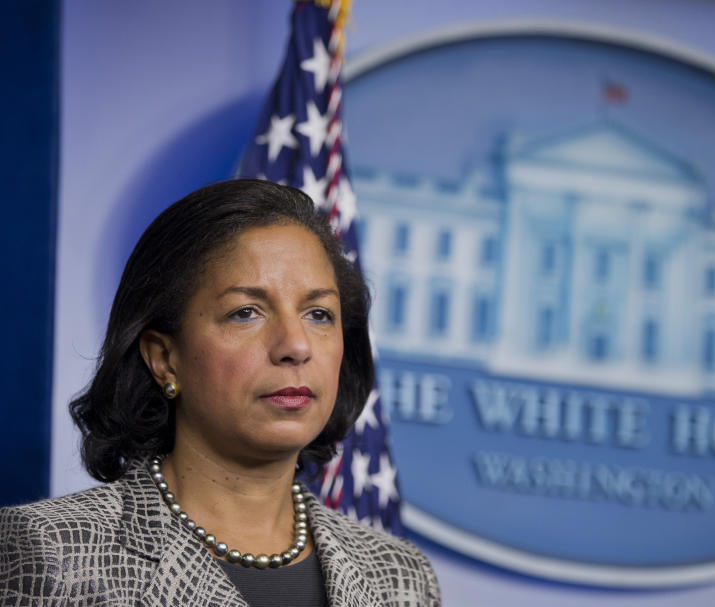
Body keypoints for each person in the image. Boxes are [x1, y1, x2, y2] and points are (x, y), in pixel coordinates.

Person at [0, 179, 441, 606]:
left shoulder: (400, 578)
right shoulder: (53, 552)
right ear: (164, 358)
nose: (296, 346)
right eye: (246, 312)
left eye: (319, 314)